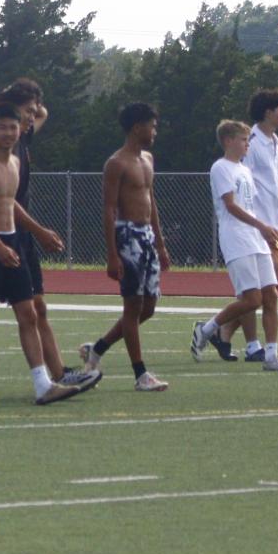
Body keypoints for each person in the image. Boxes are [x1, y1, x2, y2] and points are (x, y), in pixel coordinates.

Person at [0, 102, 98, 405]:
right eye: (2, 127)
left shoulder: (14, 162)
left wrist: (38, 231)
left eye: (13, 127)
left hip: (13, 243)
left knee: (28, 313)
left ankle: (43, 384)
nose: (9, 133)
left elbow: (11, 203)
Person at [0, 79, 86, 388]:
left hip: (21, 236)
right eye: (26, 111)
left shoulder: (23, 137)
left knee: (37, 307)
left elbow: (43, 112)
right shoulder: (3, 150)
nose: (32, 117)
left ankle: (58, 373)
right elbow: (7, 202)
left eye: (33, 112)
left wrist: (30, 105)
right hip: (2, 236)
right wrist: (40, 230)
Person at [81, 102, 171, 390]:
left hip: (146, 236)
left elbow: (151, 201)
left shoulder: (148, 159)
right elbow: (109, 209)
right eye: (151, 125)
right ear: (137, 127)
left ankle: (97, 349)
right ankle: (140, 374)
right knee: (132, 306)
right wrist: (111, 254)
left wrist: (161, 242)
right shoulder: (116, 163)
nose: (154, 131)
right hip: (127, 235)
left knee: (148, 307)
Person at [192, 120, 278, 370]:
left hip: (256, 239)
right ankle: (207, 329)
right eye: (243, 139)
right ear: (228, 141)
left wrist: (266, 231)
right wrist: (261, 226)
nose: (248, 144)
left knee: (271, 296)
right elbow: (231, 206)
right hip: (236, 239)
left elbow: (251, 205)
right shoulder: (220, 168)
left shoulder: (244, 170)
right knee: (251, 299)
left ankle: (271, 357)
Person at [219, 89, 278, 362]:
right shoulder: (253, 142)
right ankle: (251, 345)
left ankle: (221, 330)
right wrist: (254, 223)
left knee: (267, 291)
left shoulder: (275, 142)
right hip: (255, 226)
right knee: (258, 292)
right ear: (267, 112)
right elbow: (241, 181)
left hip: (273, 224)